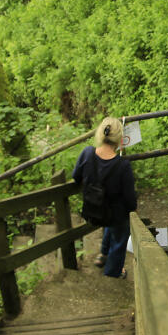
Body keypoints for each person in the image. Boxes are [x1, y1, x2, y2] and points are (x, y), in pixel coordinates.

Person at [72, 117, 137, 278]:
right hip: (112, 216)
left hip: (93, 211)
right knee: (121, 231)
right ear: (120, 138)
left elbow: (76, 177)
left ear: (100, 133)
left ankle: (103, 255)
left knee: (112, 218)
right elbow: (130, 201)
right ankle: (112, 273)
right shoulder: (123, 166)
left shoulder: (86, 153)